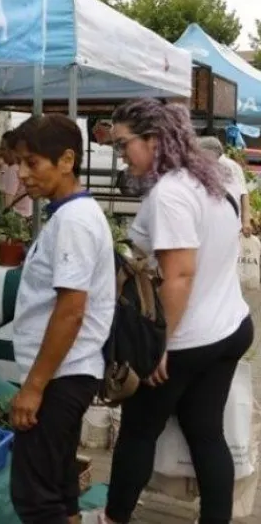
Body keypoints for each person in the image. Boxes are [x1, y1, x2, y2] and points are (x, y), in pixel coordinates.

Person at [91, 99, 253, 524]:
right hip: (229, 327)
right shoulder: (207, 180)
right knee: (206, 434)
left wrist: (156, 347)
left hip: (187, 340)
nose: (120, 152)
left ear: (155, 140)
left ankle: (114, 517)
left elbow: (179, 275)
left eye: (124, 143)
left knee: (139, 432)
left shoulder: (171, 194)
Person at [5, 115, 116, 524]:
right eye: (19, 163)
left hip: (60, 376)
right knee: (60, 487)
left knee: (35, 498)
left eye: (32, 163)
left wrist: (34, 387)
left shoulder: (74, 221)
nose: (22, 174)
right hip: (64, 373)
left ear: (66, 160)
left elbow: (71, 312)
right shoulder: (68, 214)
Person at [199, 135, 252, 236]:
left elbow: (243, 193)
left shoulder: (231, 166)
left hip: (229, 222)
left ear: (210, 152)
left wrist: (246, 221)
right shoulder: (208, 166)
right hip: (217, 223)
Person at [0, 131, 33, 218]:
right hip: (28, 214)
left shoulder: (13, 170)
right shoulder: (26, 168)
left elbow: (8, 203)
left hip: (17, 217)